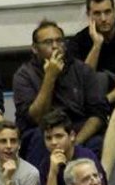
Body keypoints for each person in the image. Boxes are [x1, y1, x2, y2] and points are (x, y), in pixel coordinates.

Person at [12, 21, 110, 168]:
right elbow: (36, 117)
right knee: (38, 138)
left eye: (59, 41)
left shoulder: (81, 70)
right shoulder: (24, 75)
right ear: (34, 48)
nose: (55, 46)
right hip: (43, 131)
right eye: (48, 42)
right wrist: (50, 77)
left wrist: (74, 143)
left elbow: (98, 115)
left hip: (76, 132)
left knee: (97, 142)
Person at [36, 110, 109, 185]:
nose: (53, 142)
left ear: (72, 136)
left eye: (59, 136)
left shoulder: (87, 159)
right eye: (48, 138)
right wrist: (52, 173)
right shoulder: (46, 163)